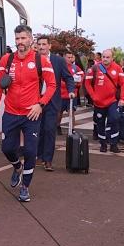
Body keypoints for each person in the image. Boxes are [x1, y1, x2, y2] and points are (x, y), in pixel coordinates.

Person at [0, 25, 56, 203]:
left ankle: (25, 187)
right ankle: (17, 167)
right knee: (7, 148)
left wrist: (40, 104)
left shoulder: (41, 61)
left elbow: (52, 86)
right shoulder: (6, 59)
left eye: (23, 38)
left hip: (31, 114)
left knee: (30, 151)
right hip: (11, 112)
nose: (20, 42)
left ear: (30, 39)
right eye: (17, 38)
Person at [36, 36, 74, 171]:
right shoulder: (34, 59)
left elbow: (68, 77)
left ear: (49, 46)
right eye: (39, 44)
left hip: (52, 101)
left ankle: (48, 160)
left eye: (44, 44)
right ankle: (38, 156)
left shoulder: (58, 61)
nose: (41, 47)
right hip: (36, 101)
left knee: (49, 130)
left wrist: (70, 91)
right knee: (37, 130)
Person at [85, 49, 124, 153]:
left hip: (113, 101)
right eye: (103, 57)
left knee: (114, 119)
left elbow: (123, 84)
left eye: (108, 57)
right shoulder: (94, 68)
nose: (105, 59)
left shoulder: (118, 68)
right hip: (99, 102)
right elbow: (87, 83)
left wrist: (123, 98)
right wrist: (93, 96)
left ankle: (114, 144)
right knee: (100, 123)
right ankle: (103, 144)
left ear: (112, 58)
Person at [57, 50, 84, 133]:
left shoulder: (75, 68)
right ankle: (57, 126)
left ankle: (72, 129)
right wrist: (69, 83)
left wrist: (76, 83)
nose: (70, 59)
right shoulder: (59, 67)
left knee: (71, 113)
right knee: (58, 113)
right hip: (61, 95)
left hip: (72, 95)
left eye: (71, 57)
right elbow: (57, 80)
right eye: (68, 57)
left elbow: (81, 77)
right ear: (64, 57)